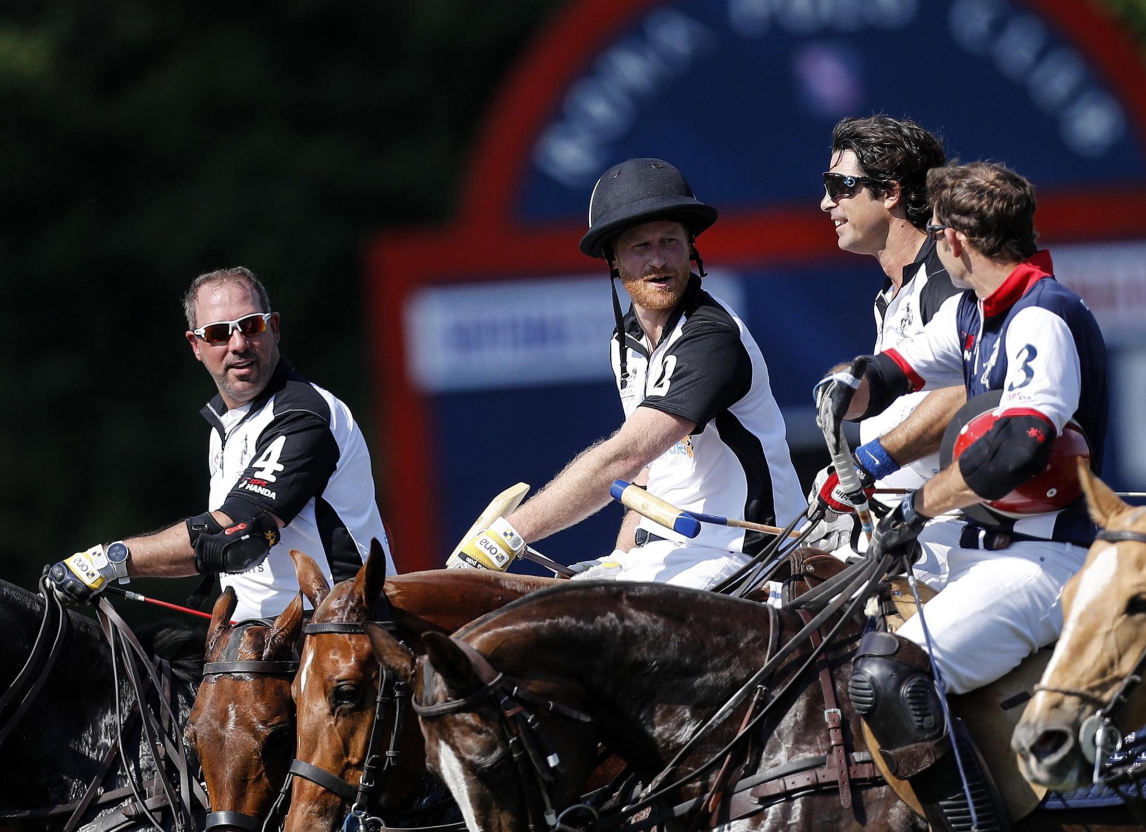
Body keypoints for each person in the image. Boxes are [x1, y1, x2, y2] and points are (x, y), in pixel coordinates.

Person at [818, 161, 1109, 832]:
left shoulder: (1043, 316)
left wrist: (918, 502)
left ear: (951, 240)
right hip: (987, 555)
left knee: (888, 672)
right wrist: (847, 396)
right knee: (830, 622)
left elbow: (1022, 444)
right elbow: (898, 369)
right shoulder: (984, 312)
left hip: (1051, 564)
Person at [448, 158, 804, 588]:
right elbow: (648, 470)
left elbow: (624, 455)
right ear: (613, 259)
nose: (659, 261)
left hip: (749, 556)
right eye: (640, 247)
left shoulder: (711, 337)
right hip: (672, 553)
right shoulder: (626, 342)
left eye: (669, 241)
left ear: (690, 247)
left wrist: (509, 535)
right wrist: (622, 554)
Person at [42, 267, 392, 621]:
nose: (239, 344)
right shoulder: (226, 424)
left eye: (251, 326)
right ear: (196, 346)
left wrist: (107, 561)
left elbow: (234, 534)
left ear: (275, 327)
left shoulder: (304, 414)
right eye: (219, 333)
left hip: (342, 633)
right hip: (258, 641)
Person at [812, 114, 966, 580]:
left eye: (840, 186)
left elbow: (974, 390)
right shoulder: (891, 294)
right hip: (910, 537)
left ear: (891, 193)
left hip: (958, 539)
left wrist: (871, 461)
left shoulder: (945, 279)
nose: (825, 203)